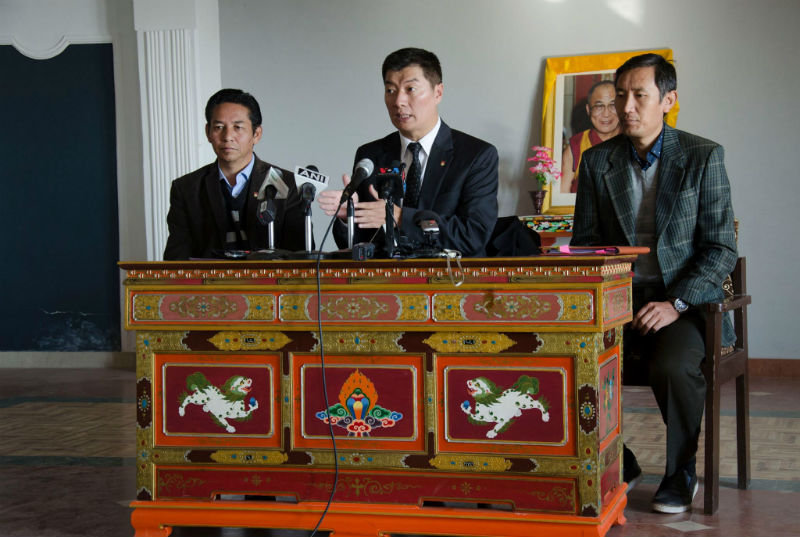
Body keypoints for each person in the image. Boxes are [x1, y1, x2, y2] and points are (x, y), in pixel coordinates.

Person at [571, 54, 737, 514]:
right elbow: (585, 244)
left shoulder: (703, 156)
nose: (626, 106)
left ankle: (682, 471)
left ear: (668, 100)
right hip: (618, 301)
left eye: (638, 95)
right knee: (568, 354)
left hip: (685, 302)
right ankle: (619, 461)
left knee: (671, 365)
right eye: (621, 94)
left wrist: (676, 301)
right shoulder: (597, 161)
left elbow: (720, 248)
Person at [317, 47, 498, 257]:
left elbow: (473, 235)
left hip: (450, 282)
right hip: (384, 284)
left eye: (410, 89)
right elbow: (360, 246)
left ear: (437, 92)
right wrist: (349, 216)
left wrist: (401, 217)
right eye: (390, 90)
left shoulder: (476, 156)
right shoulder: (371, 155)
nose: (398, 101)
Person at [163, 89, 305, 260]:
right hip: (209, 285)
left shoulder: (288, 184)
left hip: (270, 285)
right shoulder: (186, 188)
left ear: (256, 134)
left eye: (238, 127)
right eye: (219, 127)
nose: (227, 136)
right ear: (208, 132)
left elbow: (300, 256)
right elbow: (176, 258)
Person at [560, 80, 620, 193]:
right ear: (588, 110)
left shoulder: (633, 140)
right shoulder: (576, 146)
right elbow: (563, 194)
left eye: (613, 105)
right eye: (599, 106)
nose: (606, 114)